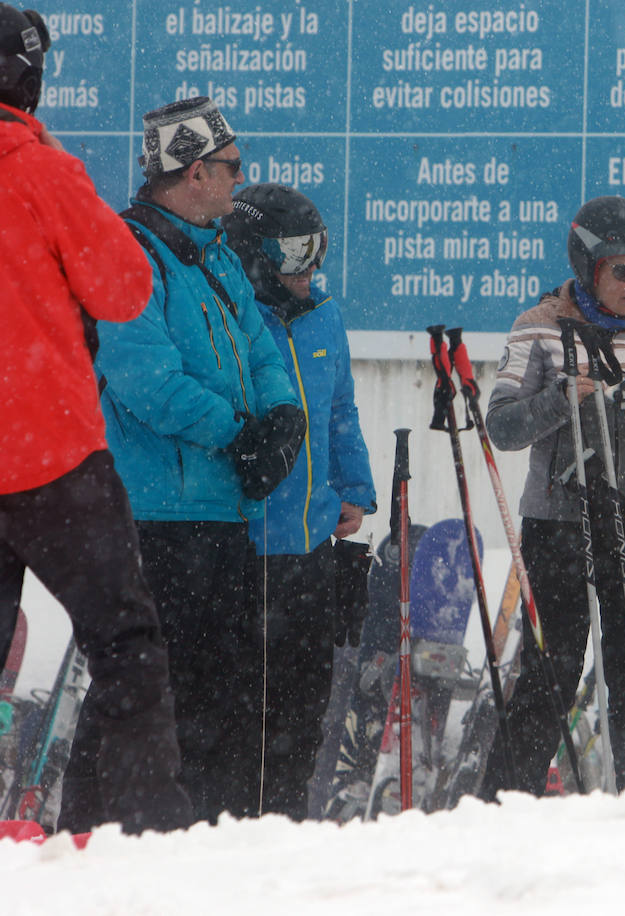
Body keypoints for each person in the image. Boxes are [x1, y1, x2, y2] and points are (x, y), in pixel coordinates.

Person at [75, 96, 305, 826]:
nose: (242, 180)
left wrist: (282, 417)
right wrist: (238, 434)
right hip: (157, 515)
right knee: (143, 682)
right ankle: (90, 830)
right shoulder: (129, 251)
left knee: (219, 690)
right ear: (196, 170)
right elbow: (144, 377)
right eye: (233, 166)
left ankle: (200, 833)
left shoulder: (215, 251)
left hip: (222, 511)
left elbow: (262, 345)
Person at [0, 4, 192, 834]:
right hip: (49, 454)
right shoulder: (42, 172)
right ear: (29, 78)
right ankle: (131, 829)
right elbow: (125, 289)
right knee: (125, 642)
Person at [477, 196, 625, 797]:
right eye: (623, 272)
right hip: (561, 523)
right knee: (550, 671)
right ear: (589, 266)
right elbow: (501, 427)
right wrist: (562, 398)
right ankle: (506, 803)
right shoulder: (538, 327)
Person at [224, 183, 377, 820]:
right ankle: (231, 830)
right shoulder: (233, 316)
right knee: (239, 714)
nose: (310, 267)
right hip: (247, 549)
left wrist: (355, 489)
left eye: (318, 251)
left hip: (312, 547)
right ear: (257, 255)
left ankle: (286, 828)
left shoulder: (323, 314)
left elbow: (339, 410)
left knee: (302, 708)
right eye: (295, 253)